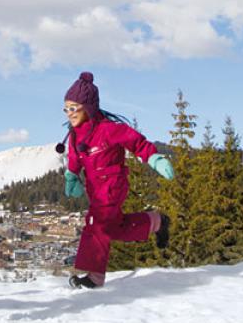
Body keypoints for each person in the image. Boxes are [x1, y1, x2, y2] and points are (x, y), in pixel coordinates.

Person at [60, 71, 175, 288]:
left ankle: (95, 278)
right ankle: (156, 222)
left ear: (88, 107)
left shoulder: (108, 130)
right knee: (114, 229)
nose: (69, 113)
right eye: (66, 109)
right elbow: (75, 158)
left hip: (112, 186)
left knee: (96, 225)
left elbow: (136, 142)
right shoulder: (75, 136)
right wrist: (72, 176)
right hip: (96, 190)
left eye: (73, 108)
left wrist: (153, 157)